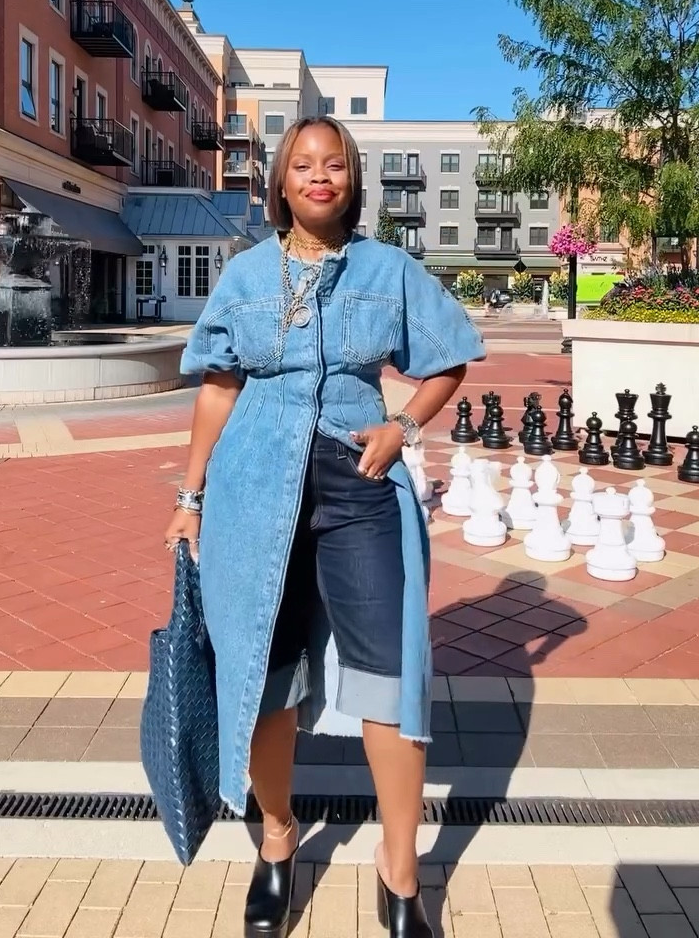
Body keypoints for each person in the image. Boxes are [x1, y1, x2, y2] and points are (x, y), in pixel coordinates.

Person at [167, 117, 485, 938]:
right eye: (302, 164)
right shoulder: (242, 277)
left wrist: (404, 427)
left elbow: (448, 360)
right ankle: (278, 842)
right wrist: (190, 496)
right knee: (261, 673)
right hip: (250, 488)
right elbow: (217, 390)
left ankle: (401, 874)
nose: (319, 176)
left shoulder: (392, 269)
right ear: (279, 182)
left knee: (394, 671)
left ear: (351, 180)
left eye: (334, 164)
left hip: (360, 484)